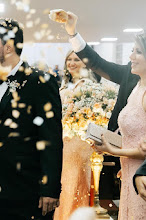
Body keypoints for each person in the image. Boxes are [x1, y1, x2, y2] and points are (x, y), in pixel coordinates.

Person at [57, 11, 146, 219]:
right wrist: (72, 33)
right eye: (131, 51)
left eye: (138, 52)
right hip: (127, 170)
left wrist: (114, 151)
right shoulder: (131, 79)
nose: (130, 56)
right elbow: (96, 62)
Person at [0, 18, 63, 220]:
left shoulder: (40, 82)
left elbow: (51, 138)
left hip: (28, 190)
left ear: (8, 47)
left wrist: (50, 187)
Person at [54, 50, 97, 220]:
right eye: (69, 59)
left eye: (76, 59)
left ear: (85, 63)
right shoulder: (65, 85)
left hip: (78, 142)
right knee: (63, 183)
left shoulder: (88, 86)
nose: (72, 63)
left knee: (74, 182)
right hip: (63, 141)